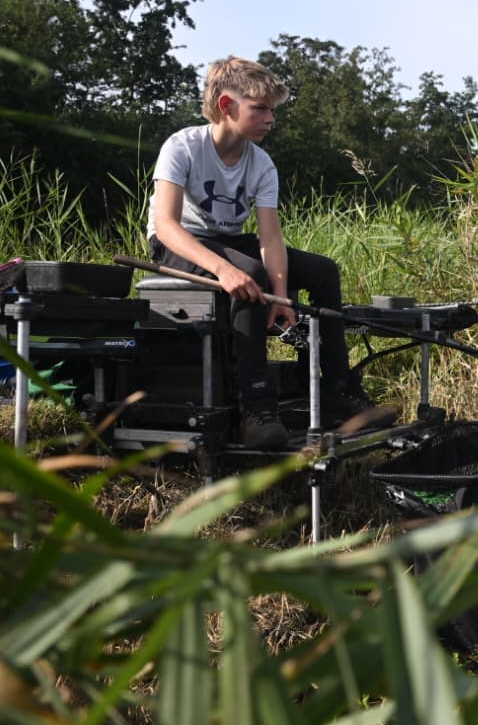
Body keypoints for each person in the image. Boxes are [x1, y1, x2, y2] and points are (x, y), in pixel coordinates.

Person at [146, 56, 395, 448]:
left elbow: (270, 238)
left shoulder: (261, 163)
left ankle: (337, 390)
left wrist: (281, 297)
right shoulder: (182, 146)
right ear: (227, 106)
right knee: (247, 275)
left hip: (229, 242)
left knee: (323, 271)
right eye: (260, 108)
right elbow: (166, 225)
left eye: (272, 110)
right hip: (178, 244)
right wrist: (223, 270)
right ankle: (256, 409)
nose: (270, 118)